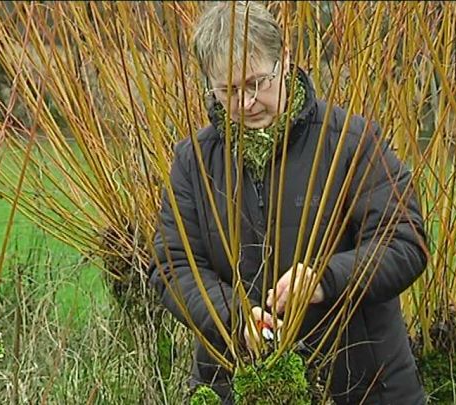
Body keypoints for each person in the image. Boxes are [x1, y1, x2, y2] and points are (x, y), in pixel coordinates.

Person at [148, 2, 429, 404]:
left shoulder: (351, 142)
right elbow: (173, 265)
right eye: (228, 90)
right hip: (236, 383)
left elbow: (405, 243)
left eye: (257, 82)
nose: (246, 102)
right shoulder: (193, 162)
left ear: (286, 62)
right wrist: (233, 317)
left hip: (362, 385)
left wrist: (324, 279)